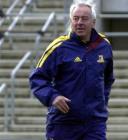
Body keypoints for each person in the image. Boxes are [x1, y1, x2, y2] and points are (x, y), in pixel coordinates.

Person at [29, 0, 115, 140]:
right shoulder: (58, 47)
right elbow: (37, 78)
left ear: (93, 22)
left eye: (84, 19)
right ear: (71, 21)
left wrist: (101, 103)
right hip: (64, 123)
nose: (79, 22)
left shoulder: (104, 46)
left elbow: (108, 79)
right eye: (76, 18)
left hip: (94, 124)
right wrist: (53, 97)